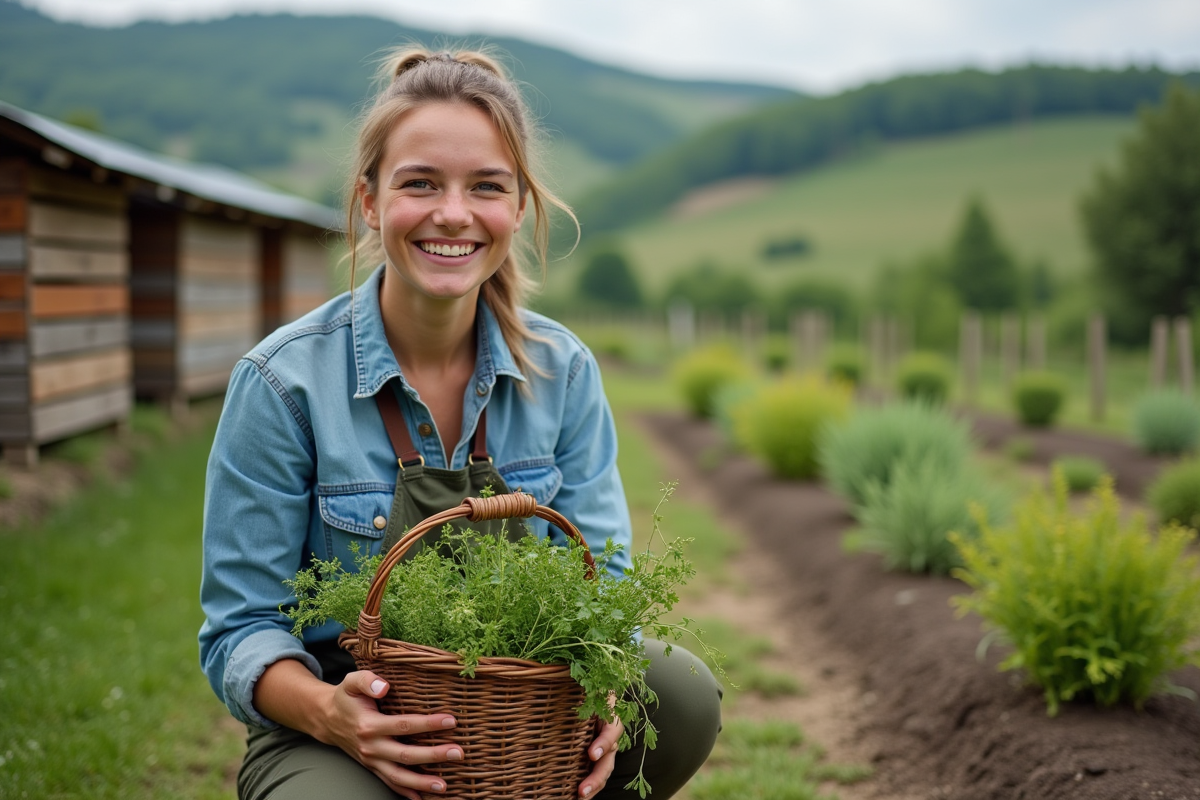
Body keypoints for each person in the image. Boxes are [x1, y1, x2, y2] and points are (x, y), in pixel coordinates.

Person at [198, 48, 721, 799]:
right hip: (347, 721)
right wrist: (334, 715)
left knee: (681, 694)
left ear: (518, 207)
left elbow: (602, 581)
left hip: (526, 712)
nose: (453, 213)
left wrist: (601, 688)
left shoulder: (562, 371)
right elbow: (240, 627)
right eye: (419, 183)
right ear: (371, 201)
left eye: (486, 186)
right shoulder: (283, 384)